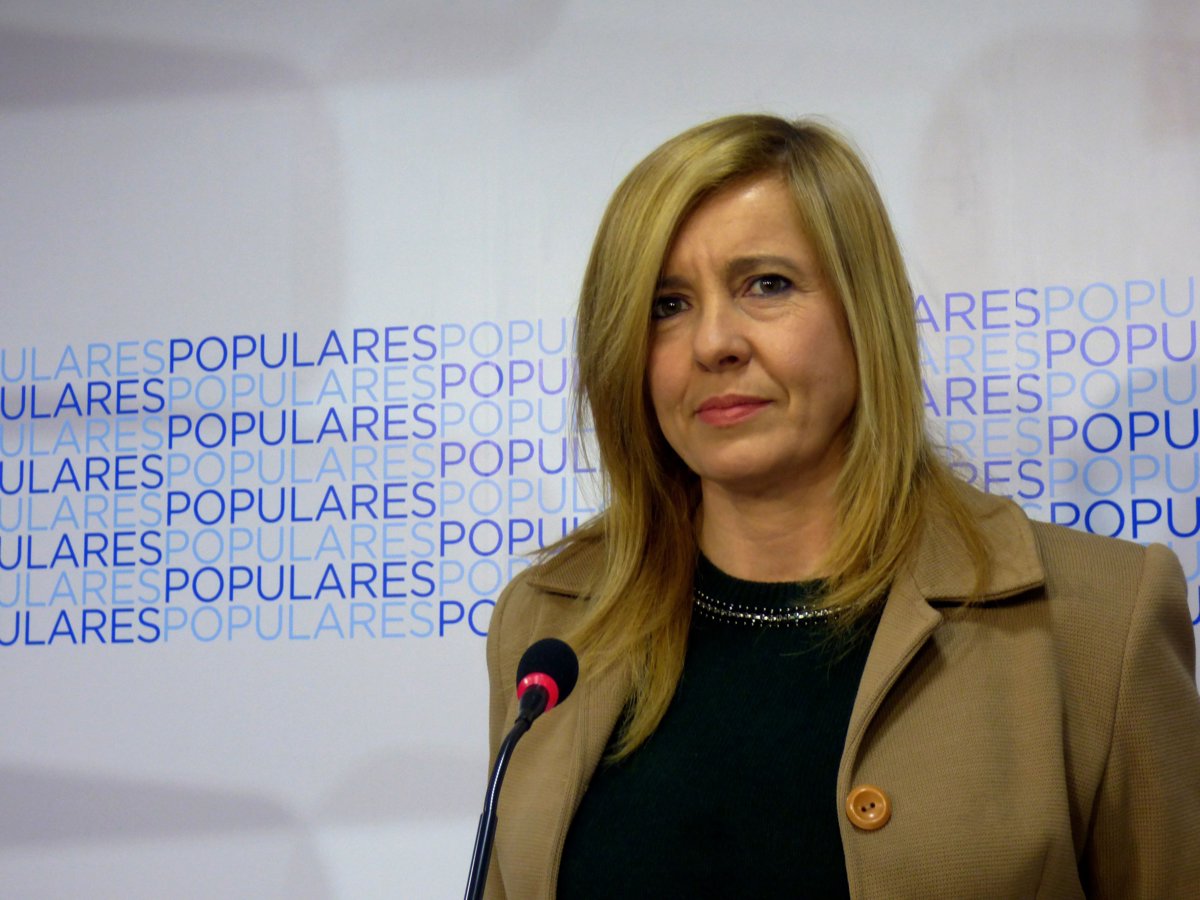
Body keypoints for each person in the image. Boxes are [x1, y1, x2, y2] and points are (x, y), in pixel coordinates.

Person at [483, 114, 1200, 898]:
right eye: (667, 305)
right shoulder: (548, 625)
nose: (713, 342)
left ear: (865, 314)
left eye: (767, 285)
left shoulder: (1101, 619)